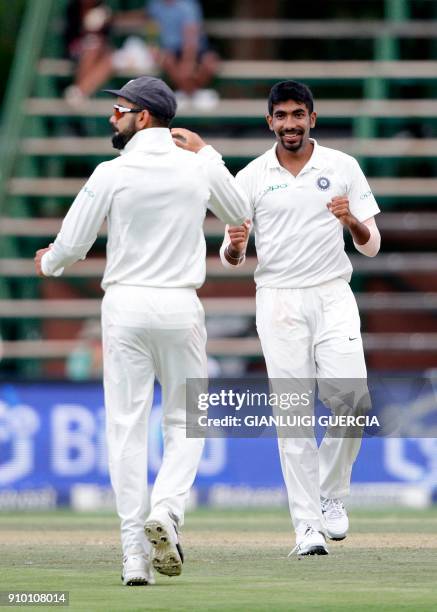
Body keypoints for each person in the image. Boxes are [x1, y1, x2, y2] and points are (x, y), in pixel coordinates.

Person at [34, 75, 249, 585]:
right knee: (186, 420)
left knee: (126, 428)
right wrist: (210, 153)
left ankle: (135, 553)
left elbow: (70, 243)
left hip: (125, 306)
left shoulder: (112, 172)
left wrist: (48, 266)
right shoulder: (197, 167)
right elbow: (241, 212)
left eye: (121, 109)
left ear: (145, 117)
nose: (113, 117)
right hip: (179, 306)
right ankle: (168, 511)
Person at [173, 80, 381, 556]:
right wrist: (235, 246)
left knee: (354, 403)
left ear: (312, 117)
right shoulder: (251, 177)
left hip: (332, 294)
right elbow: (229, 257)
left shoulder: (342, 166)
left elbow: (372, 246)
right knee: (294, 414)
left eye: (298, 115)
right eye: (281, 116)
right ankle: (306, 527)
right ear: (270, 122)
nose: (290, 124)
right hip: (279, 299)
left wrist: (351, 222)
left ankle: (330, 495)